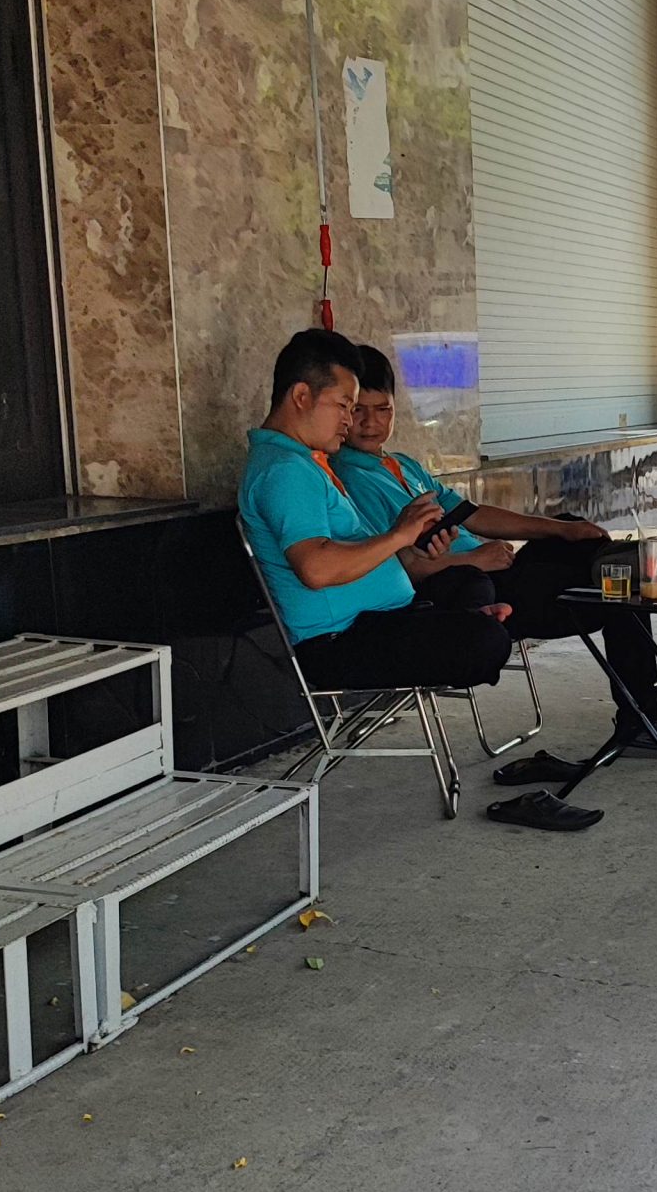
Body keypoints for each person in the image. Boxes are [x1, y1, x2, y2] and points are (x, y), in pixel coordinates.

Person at [238, 329, 597, 832]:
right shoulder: (286, 471)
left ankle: (580, 591)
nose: (349, 420)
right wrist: (400, 535)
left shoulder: (303, 464)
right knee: (484, 638)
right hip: (340, 640)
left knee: (485, 621)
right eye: (343, 405)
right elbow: (316, 568)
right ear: (301, 396)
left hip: (377, 618)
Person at [333, 344, 657, 773]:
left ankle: (607, 562)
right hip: (466, 595)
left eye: (382, 409)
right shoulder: (347, 476)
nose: (370, 422)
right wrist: (474, 560)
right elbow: (400, 566)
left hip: (491, 567)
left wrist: (559, 530)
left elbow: (474, 514)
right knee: (618, 593)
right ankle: (640, 715)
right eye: (358, 411)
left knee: (575, 536)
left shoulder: (403, 465)